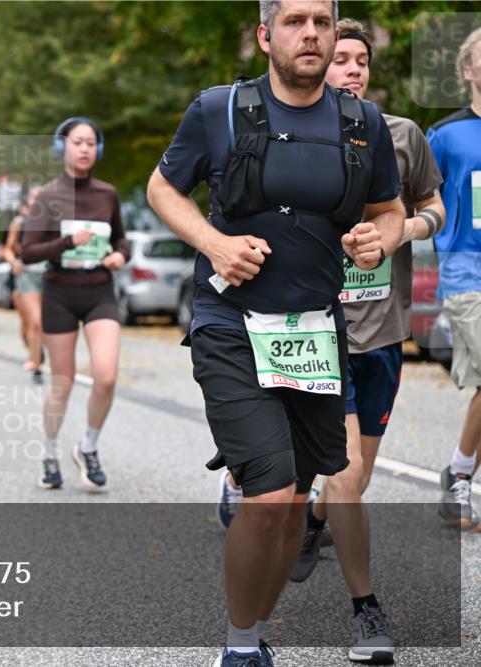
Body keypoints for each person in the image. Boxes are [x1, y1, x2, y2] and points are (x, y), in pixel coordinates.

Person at [146, 2, 405, 665]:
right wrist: (213, 241)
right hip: (230, 322)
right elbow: (161, 189)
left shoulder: (361, 122)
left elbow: (390, 209)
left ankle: (253, 627)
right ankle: (237, 648)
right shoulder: (219, 110)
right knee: (266, 489)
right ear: (266, 35)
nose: (310, 33)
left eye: (321, 19)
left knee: (294, 499)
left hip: (316, 331)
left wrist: (382, 238)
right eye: (293, 20)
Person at [273, 19, 445, 664]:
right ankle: (366, 612)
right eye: (341, 58)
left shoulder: (401, 136)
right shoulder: (296, 132)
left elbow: (434, 205)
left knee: (356, 478)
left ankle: (312, 522)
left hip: (383, 333)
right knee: (342, 473)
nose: (352, 69)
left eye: (361, 60)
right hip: (315, 330)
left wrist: (402, 231)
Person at [21, 117, 129, 491]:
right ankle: (49, 453)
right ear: (62, 147)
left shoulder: (107, 194)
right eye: (77, 142)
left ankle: (88, 446)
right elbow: (28, 252)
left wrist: (120, 256)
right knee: (62, 382)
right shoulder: (48, 197)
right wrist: (67, 243)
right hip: (60, 293)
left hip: (99, 291)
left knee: (106, 376)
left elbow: (122, 240)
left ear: (97, 151)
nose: (84, 148)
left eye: (90, 143)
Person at [428, 26, 481, 529]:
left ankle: (460, 475)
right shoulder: (445, 135)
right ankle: (461, 476)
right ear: (468, 70)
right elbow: (424, 199)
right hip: (466, 269)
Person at [1, 186, 45, 382]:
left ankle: (36, 354)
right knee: (31, 321)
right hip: (24, 276)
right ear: (28, 200)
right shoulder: (19, 222)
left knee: (39, 322)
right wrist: (14, 262)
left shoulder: (51, 221)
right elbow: (6, 250)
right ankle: (36, 361)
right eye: (35, 197)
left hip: (46, 276)